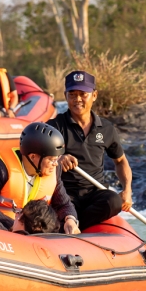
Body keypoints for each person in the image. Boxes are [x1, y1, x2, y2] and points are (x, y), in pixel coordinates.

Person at [48, 70, 134, 233]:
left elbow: (121, 161)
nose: (77, 99)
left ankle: (75, 225)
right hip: (64, 194)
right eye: (72, 94)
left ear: (94, 95)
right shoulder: (54, 126)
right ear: (65, 96)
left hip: (95, 194)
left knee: (113, 201)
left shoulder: (107, 129)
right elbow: (39, 159)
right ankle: (68, 221)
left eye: (83, 94)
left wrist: (127, 190)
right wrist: (58, 159)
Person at [0, 122, 80, 234]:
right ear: (33, 156)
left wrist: (70, 219)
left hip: (35, 229)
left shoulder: (54, 171)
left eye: (57, 159)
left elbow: (64, 204)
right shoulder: (1, 168)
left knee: (63, 226)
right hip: (5, 227)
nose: (55, 164)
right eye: (51, 159)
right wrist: (17, 225)